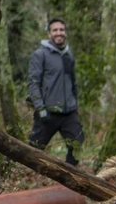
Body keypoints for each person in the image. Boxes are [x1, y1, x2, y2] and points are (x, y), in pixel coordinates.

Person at [28, 18, 83, 166]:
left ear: (65, 33)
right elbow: (33, 84)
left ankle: (69, 177)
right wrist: (40, 107)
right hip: (47, 112)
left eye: (62, 30)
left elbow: (73, 83)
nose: (59, 33)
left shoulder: (68, 56)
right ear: (49, 33)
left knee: (77, 145)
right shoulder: (40, 55)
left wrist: (75, 105)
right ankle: (27, 179)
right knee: (33, 150)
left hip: (68, 113)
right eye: (55, 30)